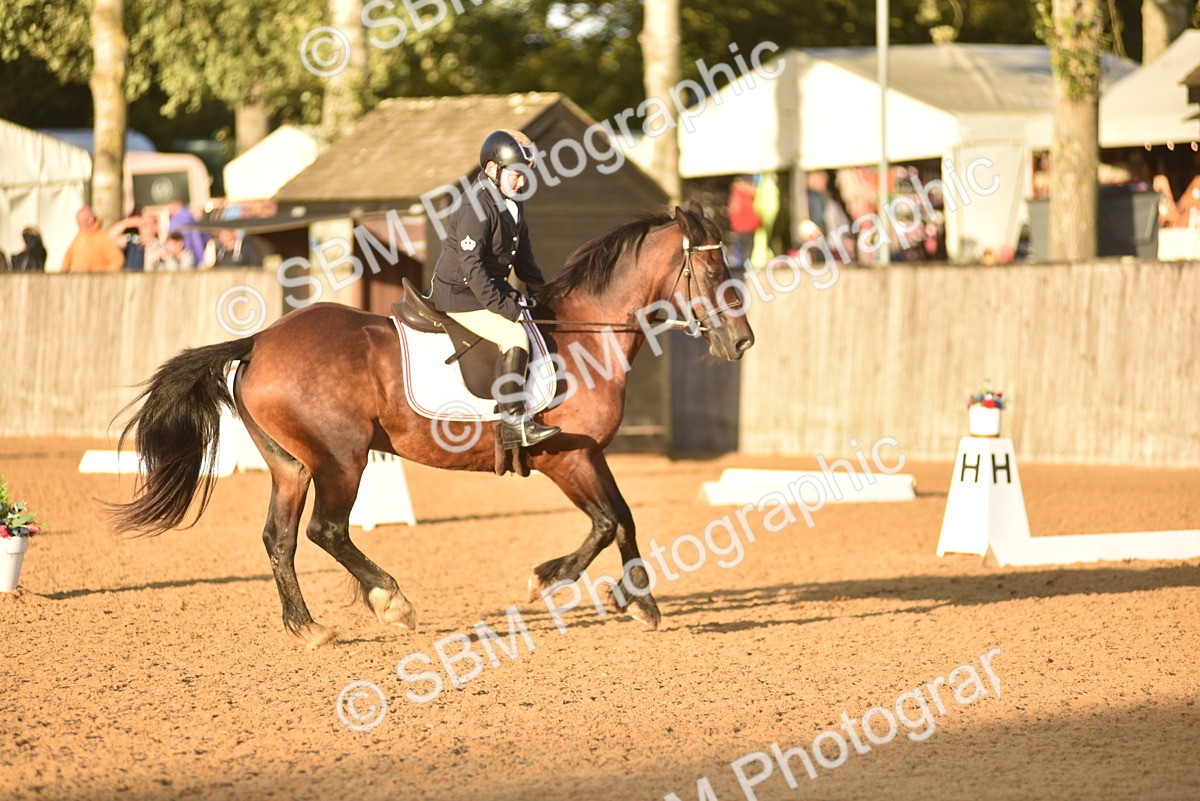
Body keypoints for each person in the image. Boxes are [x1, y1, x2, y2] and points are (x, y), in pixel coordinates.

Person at [429, 129, 560, 449]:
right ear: (491, 169)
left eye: (526, 175)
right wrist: (509, 310)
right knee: (515, 335)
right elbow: (472, 269)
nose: (522, 182)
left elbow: (525, 260)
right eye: (516, 174)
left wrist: (543, 295)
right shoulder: (476, 206)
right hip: (460, 295)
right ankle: (513, 421)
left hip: (486, 289)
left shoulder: (512, 203)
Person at [61, 205, 124, 273]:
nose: (80, 227)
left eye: (83, 223)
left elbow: (118, 261)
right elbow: (69, 253)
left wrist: (95, 272)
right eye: (79, 224)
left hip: (96, 281)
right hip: (76, 280)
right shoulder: (79, 235)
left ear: (90, 220)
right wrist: (62, 273)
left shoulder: (104, 237)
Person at [167, 197, 209, 265]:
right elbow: (206, 236)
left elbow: (170, 238)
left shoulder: (175, 222)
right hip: (197, 255)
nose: (169, 209)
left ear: (176, 205)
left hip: (182, 256)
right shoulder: (193, 218)